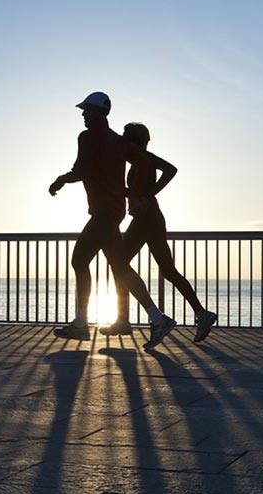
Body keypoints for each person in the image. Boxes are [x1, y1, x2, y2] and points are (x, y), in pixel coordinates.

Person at [48, 92, 177, 349]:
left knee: (79, 260)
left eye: (86, 110)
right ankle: (157, 318)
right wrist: (134, 194)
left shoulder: (87, 136)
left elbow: (82, 170)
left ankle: (81, 324)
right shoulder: (118, 141)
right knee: (119, 266)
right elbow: (143, 163)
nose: (83, 114)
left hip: (103, 213)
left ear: (97, 112)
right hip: (114, 212)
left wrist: (61, 180)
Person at [110, 122, 218, 344]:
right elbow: (163, 174)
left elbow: (170, 170)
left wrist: (148, 194)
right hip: (149, 219)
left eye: (126, 137)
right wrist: (137, 194)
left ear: (135, 141)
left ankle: (134, 319)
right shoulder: (142, 159)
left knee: (119, 263)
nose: (123, 141)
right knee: (165, 270)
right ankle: (200, 313)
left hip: (147, 220)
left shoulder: (143, 158)